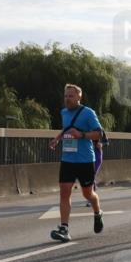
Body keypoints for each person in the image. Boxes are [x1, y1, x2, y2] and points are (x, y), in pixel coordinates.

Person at [49, 84, 104, 242]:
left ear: (79, 97)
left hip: (85, 160)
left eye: (71, 96)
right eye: (65, 96)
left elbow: (98, 133)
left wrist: (81, 135)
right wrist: (57, 139)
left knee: (88, 193)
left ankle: (97, 212)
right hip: (67, 159)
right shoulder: (64, 112)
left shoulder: (88, 113)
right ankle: (64, 228)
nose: (67, 99)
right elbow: (67, 128)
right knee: (64, 191)